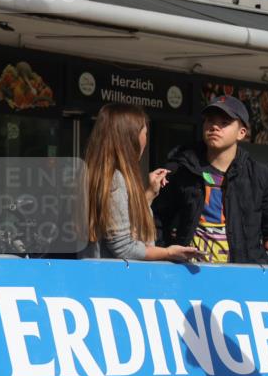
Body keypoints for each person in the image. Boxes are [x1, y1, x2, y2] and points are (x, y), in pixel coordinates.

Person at [152, 95, 268, 264]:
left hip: (241, 275)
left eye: (224, 122)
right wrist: (167, 254)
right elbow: (157, 217)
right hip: (187, 272)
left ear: (241, 133)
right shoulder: (181, 169)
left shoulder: (262, 175)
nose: (215, 127)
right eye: (210, 121)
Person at [81, 102, 201, 262]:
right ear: (130, 138)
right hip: (115, 276)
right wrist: (168, 253)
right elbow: (123, 247)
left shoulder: (94, 175)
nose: (145, 139)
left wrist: (149, 195)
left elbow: (122, 223)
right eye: (144, 133)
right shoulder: (114, 179)